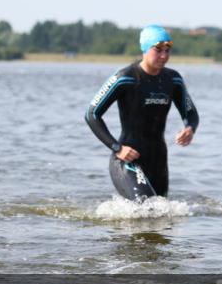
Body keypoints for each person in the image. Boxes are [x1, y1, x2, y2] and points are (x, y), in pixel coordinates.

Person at [85, 25, 199, 199]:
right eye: (158, 50)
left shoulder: (173, 79)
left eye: (167, 50)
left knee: (161, 214)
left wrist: (189, 128)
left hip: (158, 160)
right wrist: (117, 148)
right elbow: (91, 114)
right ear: (145, 49)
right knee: (147, 208)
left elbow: (191, 113)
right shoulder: (125, 77)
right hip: (128, 159)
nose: (164, 56)